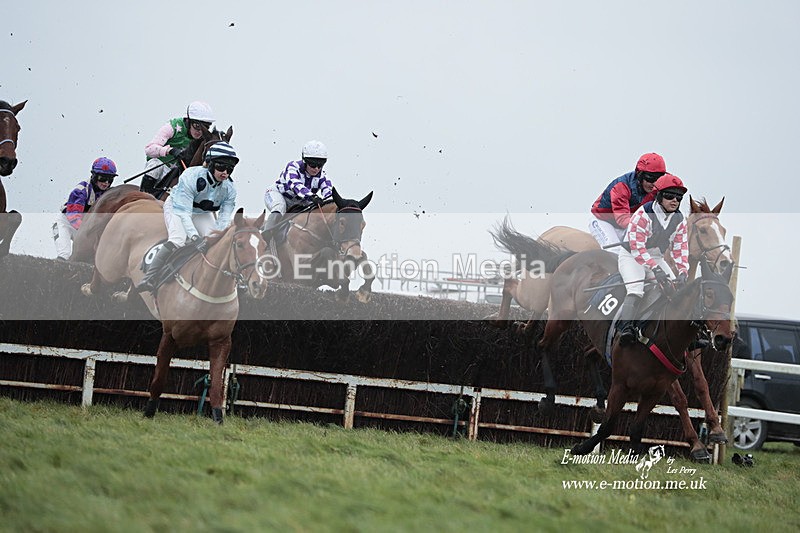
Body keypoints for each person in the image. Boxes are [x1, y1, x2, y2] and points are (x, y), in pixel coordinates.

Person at [135, 142, 238, 293]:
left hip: (201, 213)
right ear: (210, 164)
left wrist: (217, 238)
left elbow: (224, 219)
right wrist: (195, 237)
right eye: (221, 167)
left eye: (230, 169)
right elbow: (184, 213)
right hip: (178, 208)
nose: (225, 173)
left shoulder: (230, 188)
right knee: (178, 240)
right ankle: (149, 277)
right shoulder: (191, 176)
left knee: (214, 242)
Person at [616, 173, 690, 344]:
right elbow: (637, 248)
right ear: (659, 196)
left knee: (676, 291)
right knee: (636, 288)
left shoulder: (679, 220)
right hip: (632, 256)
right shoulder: (643, 214)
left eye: (679, 197)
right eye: (670, 196)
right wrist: (655, 269)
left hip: (655, 256)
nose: (675, 200)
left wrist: (683, 272)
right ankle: (625, 329)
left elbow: (680, 249)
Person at [589, 153, 666, 254]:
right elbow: (622, 218)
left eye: (659, 179)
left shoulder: (657, 191)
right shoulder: (621, 186)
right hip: (603, 221)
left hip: (627, 225)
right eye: (650, 178)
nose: (654, 184)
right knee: (615, 252)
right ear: (639, 175)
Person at [261, 140, 333, 242]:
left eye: (320, 164)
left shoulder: (322, 176)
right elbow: (295, 184)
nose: (316, 169)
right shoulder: (293, 167)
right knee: (279, 206)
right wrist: (312, 196)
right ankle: (266, 236)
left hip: (301, 201)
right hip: (278, 195)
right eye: (313, 164)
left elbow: (328, 192)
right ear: (305, 161)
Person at [141, 101, 216, 196]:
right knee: (155, 164)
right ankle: (143, 194)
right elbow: (149, 149)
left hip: (179, 172)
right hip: (161, 167)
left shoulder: (204, 139)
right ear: (188, 121)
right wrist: (170, 150)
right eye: (197, 126)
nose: (200, 132)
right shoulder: (172, 127)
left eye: (205, 127)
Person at [52, 157, 117, 260]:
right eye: (102, 178)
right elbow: (73, 216)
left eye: (110, 179)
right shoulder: (81, 190)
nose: (106, 183)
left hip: (84, 227)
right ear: (94, 176)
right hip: (66, 223)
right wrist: (89, 232)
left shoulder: (108, 193)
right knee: (65, 254)